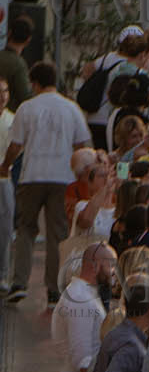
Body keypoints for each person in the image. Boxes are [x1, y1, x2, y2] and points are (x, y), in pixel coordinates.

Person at [3, 61, 92, 305]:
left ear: (35, 83)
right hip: (63, 177)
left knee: (25, 228)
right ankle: (54, 288)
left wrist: (5, 165)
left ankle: (19, 282)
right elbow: (82, 145)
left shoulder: (27, 108)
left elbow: (15, 145)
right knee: (57, 234)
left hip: (32, 175)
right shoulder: (71, 108)